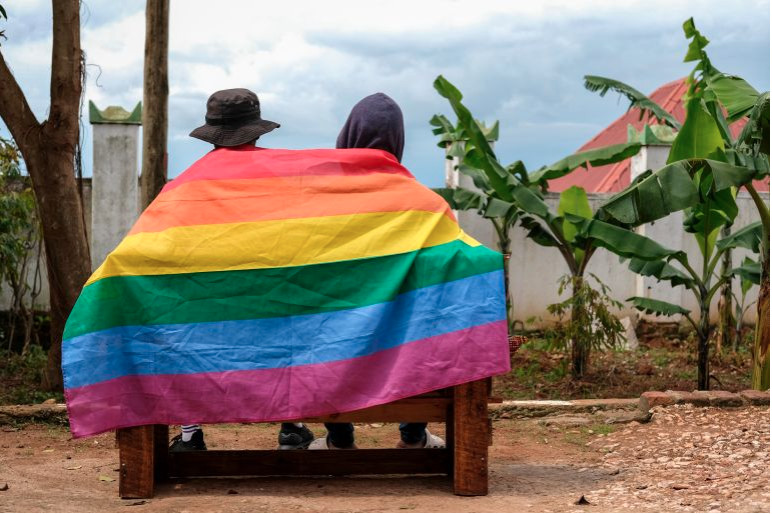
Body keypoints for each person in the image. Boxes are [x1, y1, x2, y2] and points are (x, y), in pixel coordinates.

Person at [168, 88, 315, 452]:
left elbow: (169, 241)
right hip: (271, 296)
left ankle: (190, 435)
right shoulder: (281, 178)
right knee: (290, 332)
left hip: (207, 302)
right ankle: (292, 425)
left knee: (181, 337)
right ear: (257, 132)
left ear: (211, 134)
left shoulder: (188, 184)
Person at [308, 93, 446, 450]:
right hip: (402, 338)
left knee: (319, 323)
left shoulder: (322, 201)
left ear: (348, 136)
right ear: (398, 141)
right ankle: (413, 437)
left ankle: (339, 439)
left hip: (336, 335)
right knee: (426, 323)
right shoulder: (427, 204)